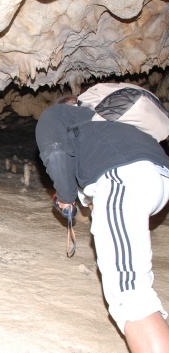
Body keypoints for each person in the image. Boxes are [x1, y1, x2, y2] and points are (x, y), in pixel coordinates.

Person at [35, 95, 169, 353]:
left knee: (129, 294)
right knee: (131, 271)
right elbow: (91, 175)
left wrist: (65, 197)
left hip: (124, 177)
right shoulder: (103, 123)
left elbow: (54, 149)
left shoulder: (57, 113)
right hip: (158, 177)